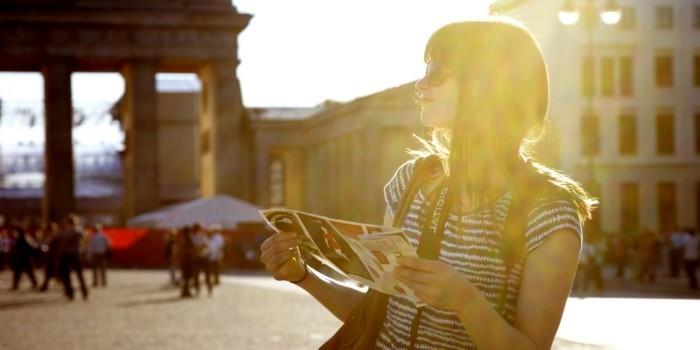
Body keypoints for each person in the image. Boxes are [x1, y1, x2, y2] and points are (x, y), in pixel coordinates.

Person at [260, 16, 597, 349]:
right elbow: (377, 315)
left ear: (486, 87)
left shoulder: (550, 210)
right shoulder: (412, 180)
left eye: (437, 74)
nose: (420, 86)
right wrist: (304, 275)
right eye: (424, 73)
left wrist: (466, 301)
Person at [54, 215, 89, 300]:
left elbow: (55, 241)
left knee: (66, 275)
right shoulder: (78, 230)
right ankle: (84, 292)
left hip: (65, 255)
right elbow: (85, 237)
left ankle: (70, 293)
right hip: (75, 254)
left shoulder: (62, 232)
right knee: (79, 274)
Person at [38, 222, 61, 292]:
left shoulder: (53, 236)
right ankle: (45, 286)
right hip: (51, 256)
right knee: (51, 271)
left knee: (50, 271)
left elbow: (46, 246)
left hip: (52, 257)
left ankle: (45, 286)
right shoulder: (53, 236)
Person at [178, 226, 196, 298]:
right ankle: (185, 291)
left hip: (185, 260)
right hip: (187, 260)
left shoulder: (183, 238)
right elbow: (186, 249)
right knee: (187, 277)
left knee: (186, 277)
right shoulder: (187, 239)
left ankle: (186, 290)